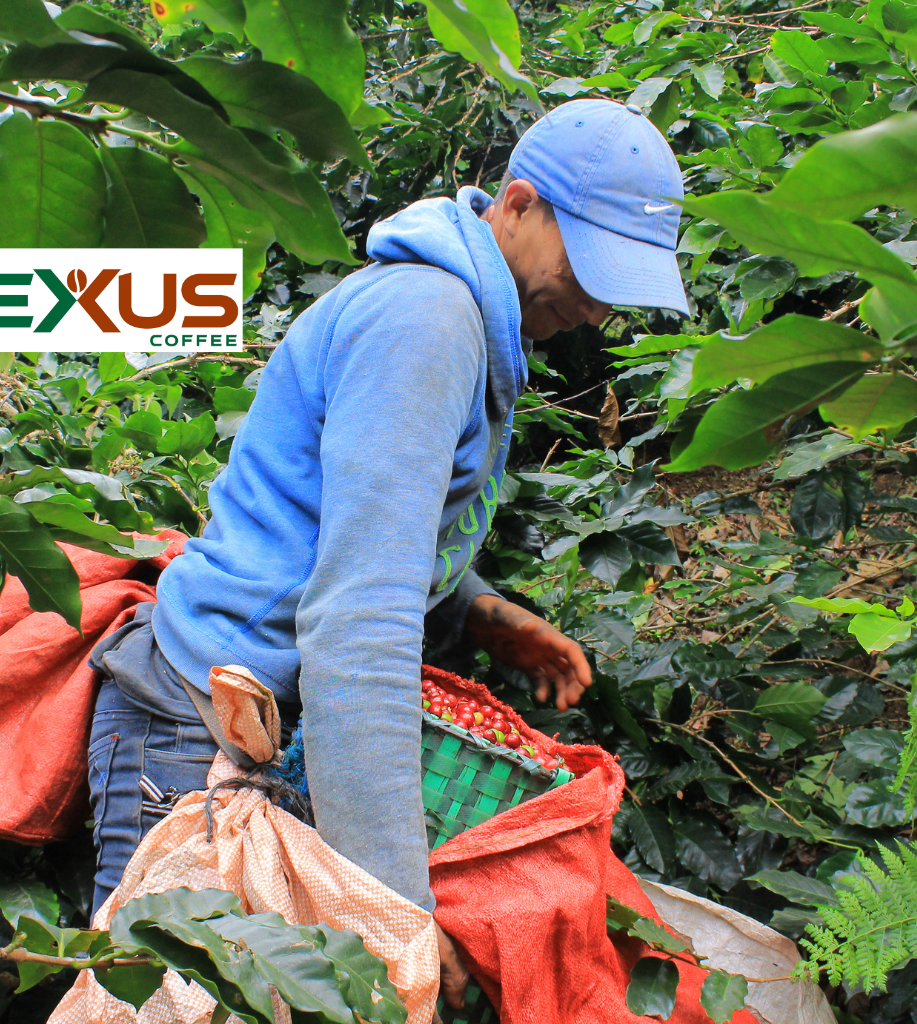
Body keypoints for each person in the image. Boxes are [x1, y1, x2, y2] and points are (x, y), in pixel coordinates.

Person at [86, 97, 689, 1010]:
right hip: (195, 728)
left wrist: (483, 613)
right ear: (517, 206)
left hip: (263, 715)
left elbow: (366, 526)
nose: (598, 303)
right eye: (590, 267)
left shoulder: (467, 314)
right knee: (154, 1002)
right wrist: (393, 914)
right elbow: (357, 627)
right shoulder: (429, 321)